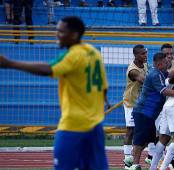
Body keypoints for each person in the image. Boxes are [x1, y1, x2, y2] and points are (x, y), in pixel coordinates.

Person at [0, 16, 110, 170]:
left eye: (60, 31)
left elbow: (47, 69)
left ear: (74, 34)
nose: (56, 34)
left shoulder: (73, 55)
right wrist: (104, 101)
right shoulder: (94, 52)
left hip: (73, 126)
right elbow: (104, 87)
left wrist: (9, 63)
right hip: (95, 126)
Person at [129, 52, 174, 170]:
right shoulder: (155, 74)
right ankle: (134, 164)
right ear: (159, 64)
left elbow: (170, 74)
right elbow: (164, 91)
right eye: (165, 62)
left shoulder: (160, 72)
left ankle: (133, 159)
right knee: (140, 139)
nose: (168, 63)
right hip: (144, 111)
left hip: (149, 114)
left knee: (148, 139)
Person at [122, 45, 148, 169]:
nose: (145, 55)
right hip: (131, 103)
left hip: (142, 103)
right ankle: (127, 160)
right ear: (136, 55)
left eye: (146, 53)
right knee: (131, 131)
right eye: (143, 54)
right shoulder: (133, 70)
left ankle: (151, 157)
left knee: (147, 131)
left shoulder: (145, 64)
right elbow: (145, 81)